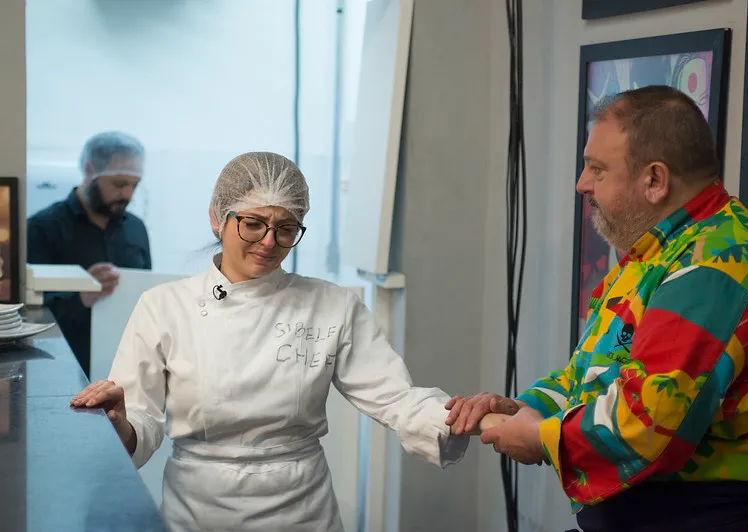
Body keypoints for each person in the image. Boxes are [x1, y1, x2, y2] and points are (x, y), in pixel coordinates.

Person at [68, 152, 492, 531]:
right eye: (253, 224)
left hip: (302, 509)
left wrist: (482, 420)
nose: (269, 242)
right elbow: (139, 427)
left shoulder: (332, 305)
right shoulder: (163, 306)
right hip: (199, 510)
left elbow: (396, 399)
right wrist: (117, 423)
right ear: (218, 217)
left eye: (286, 228)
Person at [446, 86, 748, 531]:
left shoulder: (715, 266)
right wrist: (522, 407)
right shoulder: (656, 252)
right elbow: (596, 374)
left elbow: (643, 422)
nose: (582, 184)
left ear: (654, 180)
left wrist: (541, 438)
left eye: (597, 169)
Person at [28, 131, 151, 377]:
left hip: (125, 372)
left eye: (133, 185)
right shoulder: (41, 229)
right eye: (119, 184)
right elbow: (28, 315)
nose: (127, 194)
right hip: (59, 374)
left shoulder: (137, 229)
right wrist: (81, 298)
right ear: (89, 170)